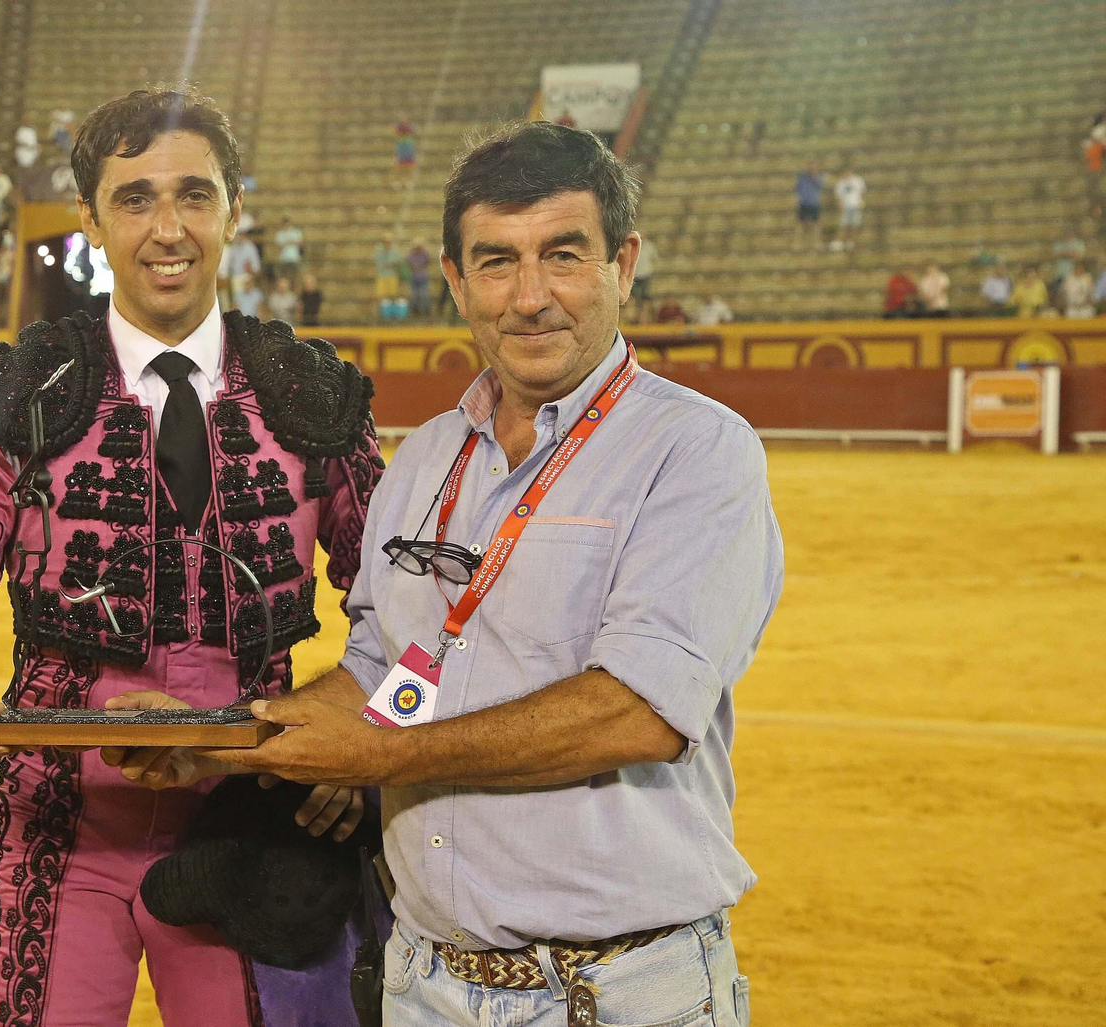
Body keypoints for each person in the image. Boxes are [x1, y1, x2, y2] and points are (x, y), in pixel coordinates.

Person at [111, 123, 781, 1027]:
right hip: (425, 985)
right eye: (497, 262)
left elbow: (639, 712)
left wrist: (377, 757)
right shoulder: (427, 458)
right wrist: (218, 738)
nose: (531, 297)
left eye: (564, 255)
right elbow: (390, 678)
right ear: (457, 282)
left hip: (617, 993)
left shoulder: (697, 450)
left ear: (623, 265)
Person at [0, 86, 384, 1027]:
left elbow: (420, 620)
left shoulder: (310, 397)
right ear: (91, 219)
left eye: (195, 195)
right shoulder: (19, 393)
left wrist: (363, 736)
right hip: (57, 829)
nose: (168, 229)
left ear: (235, 208)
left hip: (253, 826)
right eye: (135, 198)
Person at [833, 163, 865, 251]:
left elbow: (862, 193)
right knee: (843, 225)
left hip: (855, 206)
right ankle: (840, 242)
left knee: (855, 225)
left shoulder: (858, 180)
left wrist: (861, 204)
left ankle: (851, 242)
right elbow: (839, 197)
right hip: (845, 207)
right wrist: (840, 208)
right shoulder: (841, 183)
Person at [794, 160, 824, 248]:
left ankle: (817, 243)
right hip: (803, 202)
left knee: (816, 223)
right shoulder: (802, 177)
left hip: (814, 203)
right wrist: (797, 199)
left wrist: (814, 176)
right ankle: (797, 243)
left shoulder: (819, 176)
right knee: (800, 223)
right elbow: (797, 188)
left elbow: (820, 186)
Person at [373, 233, 402, 318]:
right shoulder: (379, 251)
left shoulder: (395, 251)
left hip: (392, 275)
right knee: (380, 296)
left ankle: (392, 314)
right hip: (382, 275)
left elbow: (398, 262)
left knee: (393, 295)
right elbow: (377, 262)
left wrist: (390, 264)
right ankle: (380, 314)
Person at [629, 235, 655, 318]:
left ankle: (644, 316)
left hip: (646, 274)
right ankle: (633, 315)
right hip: (635, 274)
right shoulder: (631, 246)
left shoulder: (649, 246)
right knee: (632, 297)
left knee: (645, 297)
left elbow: (654, 258)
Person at [406, 240, 433, 317]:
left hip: (423, 277)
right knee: (415, 295)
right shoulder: (411, 255)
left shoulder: (424, 254)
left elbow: (428, 260)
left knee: (424, 295)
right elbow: (408, 262)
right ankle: (415, 311)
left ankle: (426, 310)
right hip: (415, 277)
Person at [274, 215, 304, 280]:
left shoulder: (296, 232)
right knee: (284, 276)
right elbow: (278, 247)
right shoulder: (280, 234)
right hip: (283, 257)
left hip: (294, 257)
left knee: (295, 276)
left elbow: (300, 243)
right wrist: (285, 243)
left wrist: (292, 242)